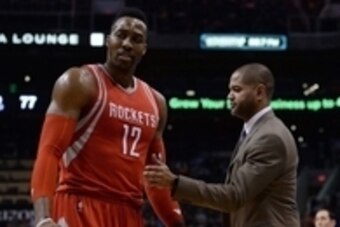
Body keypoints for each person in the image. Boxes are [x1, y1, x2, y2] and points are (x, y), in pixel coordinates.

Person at [30, 7, 185, 227]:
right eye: (121, 35)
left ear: (144, 49)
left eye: (136, 39)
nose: (127, 43)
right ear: (108, 40)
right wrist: (43, 218)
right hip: (80, 204)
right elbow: (49, 151)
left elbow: (155, 177)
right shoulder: (79, 82)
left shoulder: (156, 103)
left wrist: (175, 221)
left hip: (129, 212)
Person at [144, 63, 300, 227]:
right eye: (230, 90)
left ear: (259, 92)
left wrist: (175, 182)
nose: (230, 96)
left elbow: (234, 196)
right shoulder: (256, 132)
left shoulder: (270, 137)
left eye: (237, 90)